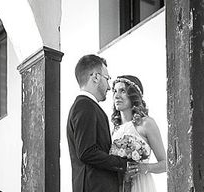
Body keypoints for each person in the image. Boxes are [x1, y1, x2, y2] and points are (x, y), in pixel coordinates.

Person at [67, 55, 138, 191]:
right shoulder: (85, 105)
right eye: (107, 78)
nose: (109, 87)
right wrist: (122, 163)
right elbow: (87, 151)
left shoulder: (86, 105)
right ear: (95, 77)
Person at [111, 75, 166, 192]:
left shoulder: (146, 123)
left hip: (141, 185)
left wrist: (145, 168)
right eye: (115, 91)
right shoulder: (114, 129)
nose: (117, 96)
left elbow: (165, 164)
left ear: (133, 95)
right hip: (118, 184)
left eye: (122, 91)